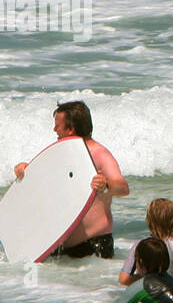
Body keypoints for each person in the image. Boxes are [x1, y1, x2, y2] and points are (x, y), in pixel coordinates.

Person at [14, 100, 128, 259]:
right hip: (58, 247)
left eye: (58, 125)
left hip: (94, 247)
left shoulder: (99, 153)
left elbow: (123, 188)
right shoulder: (60, 153)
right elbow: (42, 180)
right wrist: (25, 169)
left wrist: (106, 185)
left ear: (71, 129)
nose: (54, 129)